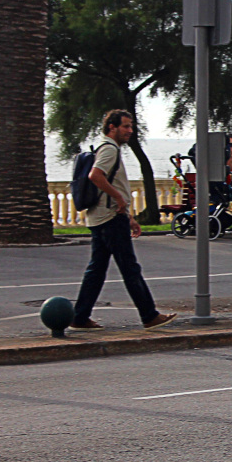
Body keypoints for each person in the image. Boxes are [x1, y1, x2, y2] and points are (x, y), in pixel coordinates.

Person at [71, 109, 177, 330]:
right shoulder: (109, 149)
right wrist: (119, 199)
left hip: (101, 217)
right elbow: (95, 176)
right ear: (112, 127)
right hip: (110, 219)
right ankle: (149, 316)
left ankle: (79, 317)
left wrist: (128, 216)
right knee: (129, 268)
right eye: (125, 126)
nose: (130, 131)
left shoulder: (103, 147)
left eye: (131, 126)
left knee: (97, 270)